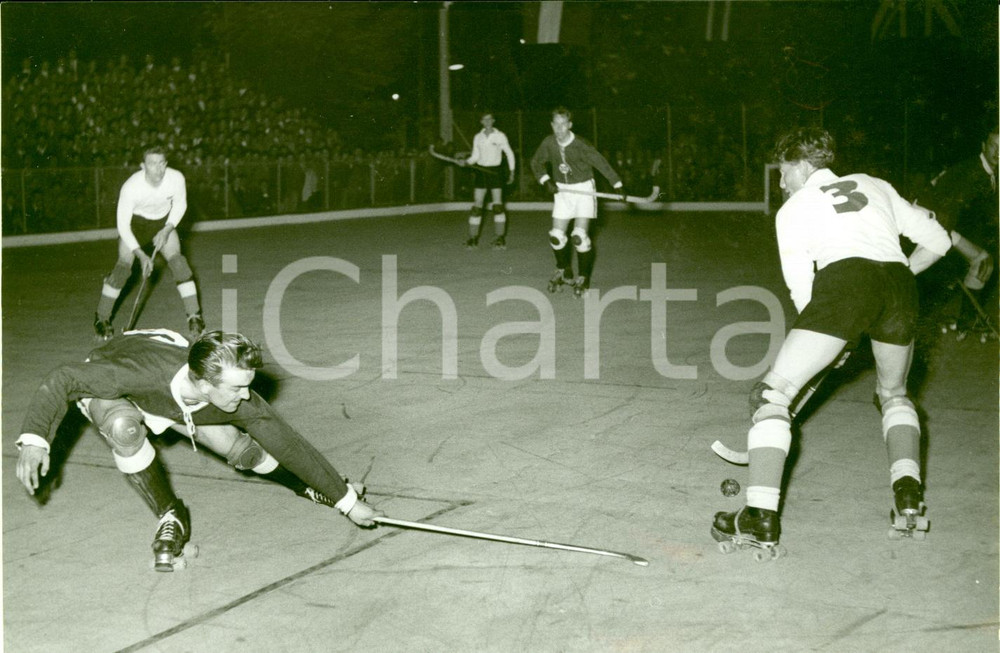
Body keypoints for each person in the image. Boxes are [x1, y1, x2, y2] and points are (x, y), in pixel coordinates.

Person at [711, 127, 952, 556]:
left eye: (783, 171)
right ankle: (908, 497)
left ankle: (759, 516)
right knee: (894, 393)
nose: (781, 182)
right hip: (898, 286)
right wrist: (896, 277)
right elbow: (939, 240)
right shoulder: (874, 184)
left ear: (803, 166)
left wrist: (834, 339)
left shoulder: (794, 208)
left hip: (844, 286)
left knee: (771, 395)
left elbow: (803, 290)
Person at [16, 329, 380, 571]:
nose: (246, 396)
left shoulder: (235, 395)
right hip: (122, 386)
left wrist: (344, 500)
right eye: (236, 388)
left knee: (245, 452)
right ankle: (170, 515)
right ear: (204, 385)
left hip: (170, 388)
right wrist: (34, 440)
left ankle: (305, 487)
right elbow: (63, 378)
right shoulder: (131, 374)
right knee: (123, 428)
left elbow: (289, 444)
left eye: (247, 385)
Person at [93, 146, 205, 342]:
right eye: (152, 164)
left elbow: (180, 204)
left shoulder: (176, 178)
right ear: (143, 166)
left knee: (179, 263)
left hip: (162, 223)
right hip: (135, 226)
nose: (158, 169)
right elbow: (123, 226)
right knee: (122, 269)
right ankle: (102, 318)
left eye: (162, 163)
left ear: (166, 164)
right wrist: (142, 255)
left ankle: (194, 317)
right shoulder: (131, 187)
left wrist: (167, 229)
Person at [529, 107, 626, 297]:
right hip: (562, 191)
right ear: (551, 125)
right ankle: (563, 270)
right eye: (556, 124)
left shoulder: (581, 145)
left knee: (579, 236)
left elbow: (601, 163)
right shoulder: (549, 143)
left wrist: (617, 183)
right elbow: (536, 162)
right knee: (556, 236)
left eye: (563, 124)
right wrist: (545, 180)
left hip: (583, 191)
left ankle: (583, 277)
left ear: (570, 125)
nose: (559, 129)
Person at [916, 124, 999, 336]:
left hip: (944, 220)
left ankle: (966, 321)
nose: (998, 152)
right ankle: (966, 321)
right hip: (930, 219)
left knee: (983, 259)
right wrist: (945, 244)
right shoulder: (972, 172)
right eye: (994, 146)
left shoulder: (989, 172)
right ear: (984, 146)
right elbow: (945, 208)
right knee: (983, 261)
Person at [459, 111, 516, 250]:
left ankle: (500, 238)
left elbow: (509, 153)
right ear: (481, 122)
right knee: (477, 207)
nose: (488, 122)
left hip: (495, 172)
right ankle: (473, 239)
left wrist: (512, 171)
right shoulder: (477, 137)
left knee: (497, 206)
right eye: (485, 120)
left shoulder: (500, 135)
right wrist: (466, 162)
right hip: (481, 172)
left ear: (493, 120)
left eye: (490, 119)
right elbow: (475, 156)